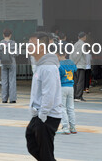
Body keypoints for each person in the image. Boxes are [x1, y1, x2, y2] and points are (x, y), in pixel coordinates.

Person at [25, 32, 62, 161]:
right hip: (40, 114)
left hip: (48, 115)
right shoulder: (40, 65)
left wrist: (43, 115)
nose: (28, 47)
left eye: (32, 44)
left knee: (45, 152)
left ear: (41, 46)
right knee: (32, 141)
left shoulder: (48, 67)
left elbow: (49, 93)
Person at [57, 51, 76, 135]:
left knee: (62, 108)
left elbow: (57, 76)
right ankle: (73, 127)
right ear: (65, 54)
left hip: (62, 87)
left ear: (57, 55)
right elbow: (75, 69)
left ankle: (65, 127)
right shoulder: (71, 62)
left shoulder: (59, 65)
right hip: (71, 87)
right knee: (70, 107)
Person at [0, 28, 17, 103]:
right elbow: (16, 53)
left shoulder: (0, 43)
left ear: (3, 35)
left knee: (4, 80)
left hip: (3, 63)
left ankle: (4, 99)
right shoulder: (13, 43)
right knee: (12, 80)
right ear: (10, 35)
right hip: (11, 62)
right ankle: (12, 99)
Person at [70, 32, 87, 102]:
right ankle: (78, 96)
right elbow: (78, 54)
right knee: (80, 81)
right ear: (84, 37)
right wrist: (75, 63)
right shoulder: (82, 44)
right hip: (79, 65)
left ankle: (75, 95)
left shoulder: (76, 44)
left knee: (75, 81)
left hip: (76, 65)